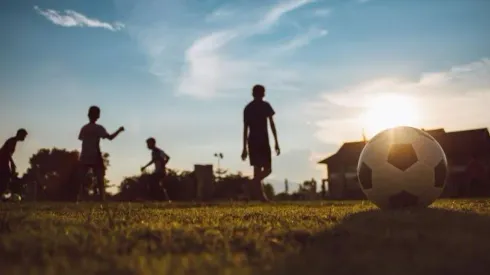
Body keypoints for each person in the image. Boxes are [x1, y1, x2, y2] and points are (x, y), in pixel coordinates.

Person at [241, 84, 280, 202]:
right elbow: (246, 128)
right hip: (257, 141)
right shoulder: (251, 108)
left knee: (262, 171)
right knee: (263, 170)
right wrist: (244, 148)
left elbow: (271, 124)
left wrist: (244, 148)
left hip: (257, 141)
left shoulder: (260, 107)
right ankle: (261, 198)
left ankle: (251, 185)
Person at [77, 106, 124, 202]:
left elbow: (81, 138)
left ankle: (78, 198)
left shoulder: (84, 128)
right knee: (100, 179)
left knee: (80, 179)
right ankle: (102, 199)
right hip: (95, 155)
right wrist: (119, 131)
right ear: (98, 116)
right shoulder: (98, 128)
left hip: (84, 155)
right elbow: (110, 137)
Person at [141, 137, 171, 202]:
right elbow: (167, 158)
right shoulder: (158, 151)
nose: (147, 146)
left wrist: (145, 167)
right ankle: (165, 198)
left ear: (152, 143)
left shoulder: (156, 151)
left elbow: (154, 160)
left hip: (160, 172)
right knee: (156, 184)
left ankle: (154, 198)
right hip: (160, 171)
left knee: (151, 181)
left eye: (148, 144)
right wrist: (163, 165)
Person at [0, 129, 28, 196]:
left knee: (6, 177)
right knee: (5, 177)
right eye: (24, 136)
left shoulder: (13, 141)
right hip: (2, 161)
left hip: (4, 161)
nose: (24, 138)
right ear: (20, 135)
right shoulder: (12, 141)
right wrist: (12, 163)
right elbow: (7, 153)